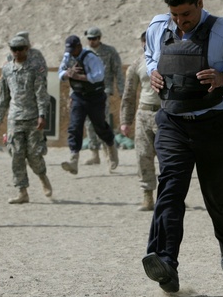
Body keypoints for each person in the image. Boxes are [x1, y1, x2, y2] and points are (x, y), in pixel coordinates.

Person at [140, 0, 223, 293]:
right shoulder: (158, 27)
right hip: (172, 123)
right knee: (169, 190)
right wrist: (153, 72)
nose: (181, 22)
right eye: (175, 15)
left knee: (217, 194)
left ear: (200, 2)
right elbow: (150, 56)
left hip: (215, 124)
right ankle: (166, 264)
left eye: (186, 14)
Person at [0, 33, 53, 204]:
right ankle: (22, 191)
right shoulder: (7, 69)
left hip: (33, 117)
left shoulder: (35, 67)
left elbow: (41, 93)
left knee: (34, 154)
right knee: (16, 155)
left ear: (26, 49)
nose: (17, 52)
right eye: (14, 49)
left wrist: (42, 115)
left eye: (20, 49)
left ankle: (42, 177)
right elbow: (3, 96)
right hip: (15, 118)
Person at [57, 35, 119, 175]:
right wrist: (67, 73)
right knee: (75, 126)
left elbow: (99, 76)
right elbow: (60, 73)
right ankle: (73, 160)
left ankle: (111, 147)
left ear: (79, 46)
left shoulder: (91, 57)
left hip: (95, 97)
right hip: (78, 96)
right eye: (69, 50)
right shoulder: (68, 56)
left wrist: (79, 77)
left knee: (99, 126)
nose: (71, 53)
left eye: (73, 50)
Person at [120, 31, 161, 211]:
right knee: (143, 156)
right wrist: (125, 121)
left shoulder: (169, 61)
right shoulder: (136, 65)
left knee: (169, 158)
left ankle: (171, 196)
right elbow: (128, 95)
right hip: (144, 114)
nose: (147, 45)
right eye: (144, 42)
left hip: (166, 115)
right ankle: (147, 197)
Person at [82, 26, 124, 166]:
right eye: (89, 39)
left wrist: (121, 90)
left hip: (103, 91)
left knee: (102, 121)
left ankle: (108, 151)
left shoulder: (109, 51)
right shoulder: (84, 53)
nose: (91, 41)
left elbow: (118, 71)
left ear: (99, 38)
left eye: (94, 38)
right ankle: (94, 154)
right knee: (88, 123)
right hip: (87, 92)